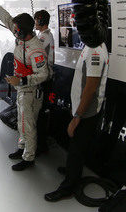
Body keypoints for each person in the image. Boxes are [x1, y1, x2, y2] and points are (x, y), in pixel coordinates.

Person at [0, 0, 49, 171]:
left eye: (16, 30)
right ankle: (22, 148)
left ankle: (29, 158)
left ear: (23, 31)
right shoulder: (21, 34)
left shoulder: (35, 50)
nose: (13, 30)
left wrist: (20, 80)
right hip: (22, 89)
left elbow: (43, 74)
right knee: (22, 122)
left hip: (31, 91)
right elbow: (7, 18)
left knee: (28, 125)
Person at [45, 43, 109, 202]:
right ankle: (71, 171)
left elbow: (91, 87)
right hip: (81, 108)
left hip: (87, 112)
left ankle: (68, 188)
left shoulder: (95, 50)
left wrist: (77, 116)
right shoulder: (91, 45)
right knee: (75, 146)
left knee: (76, 150)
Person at [34, 9, 55, 153]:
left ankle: (41, 145)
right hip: (45, 78)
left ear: (41, 21)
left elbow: (34, 51)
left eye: (36, 20)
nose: (34, 23)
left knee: (40, 113)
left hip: (44, 79)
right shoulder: (44, 35)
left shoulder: (44, 37)